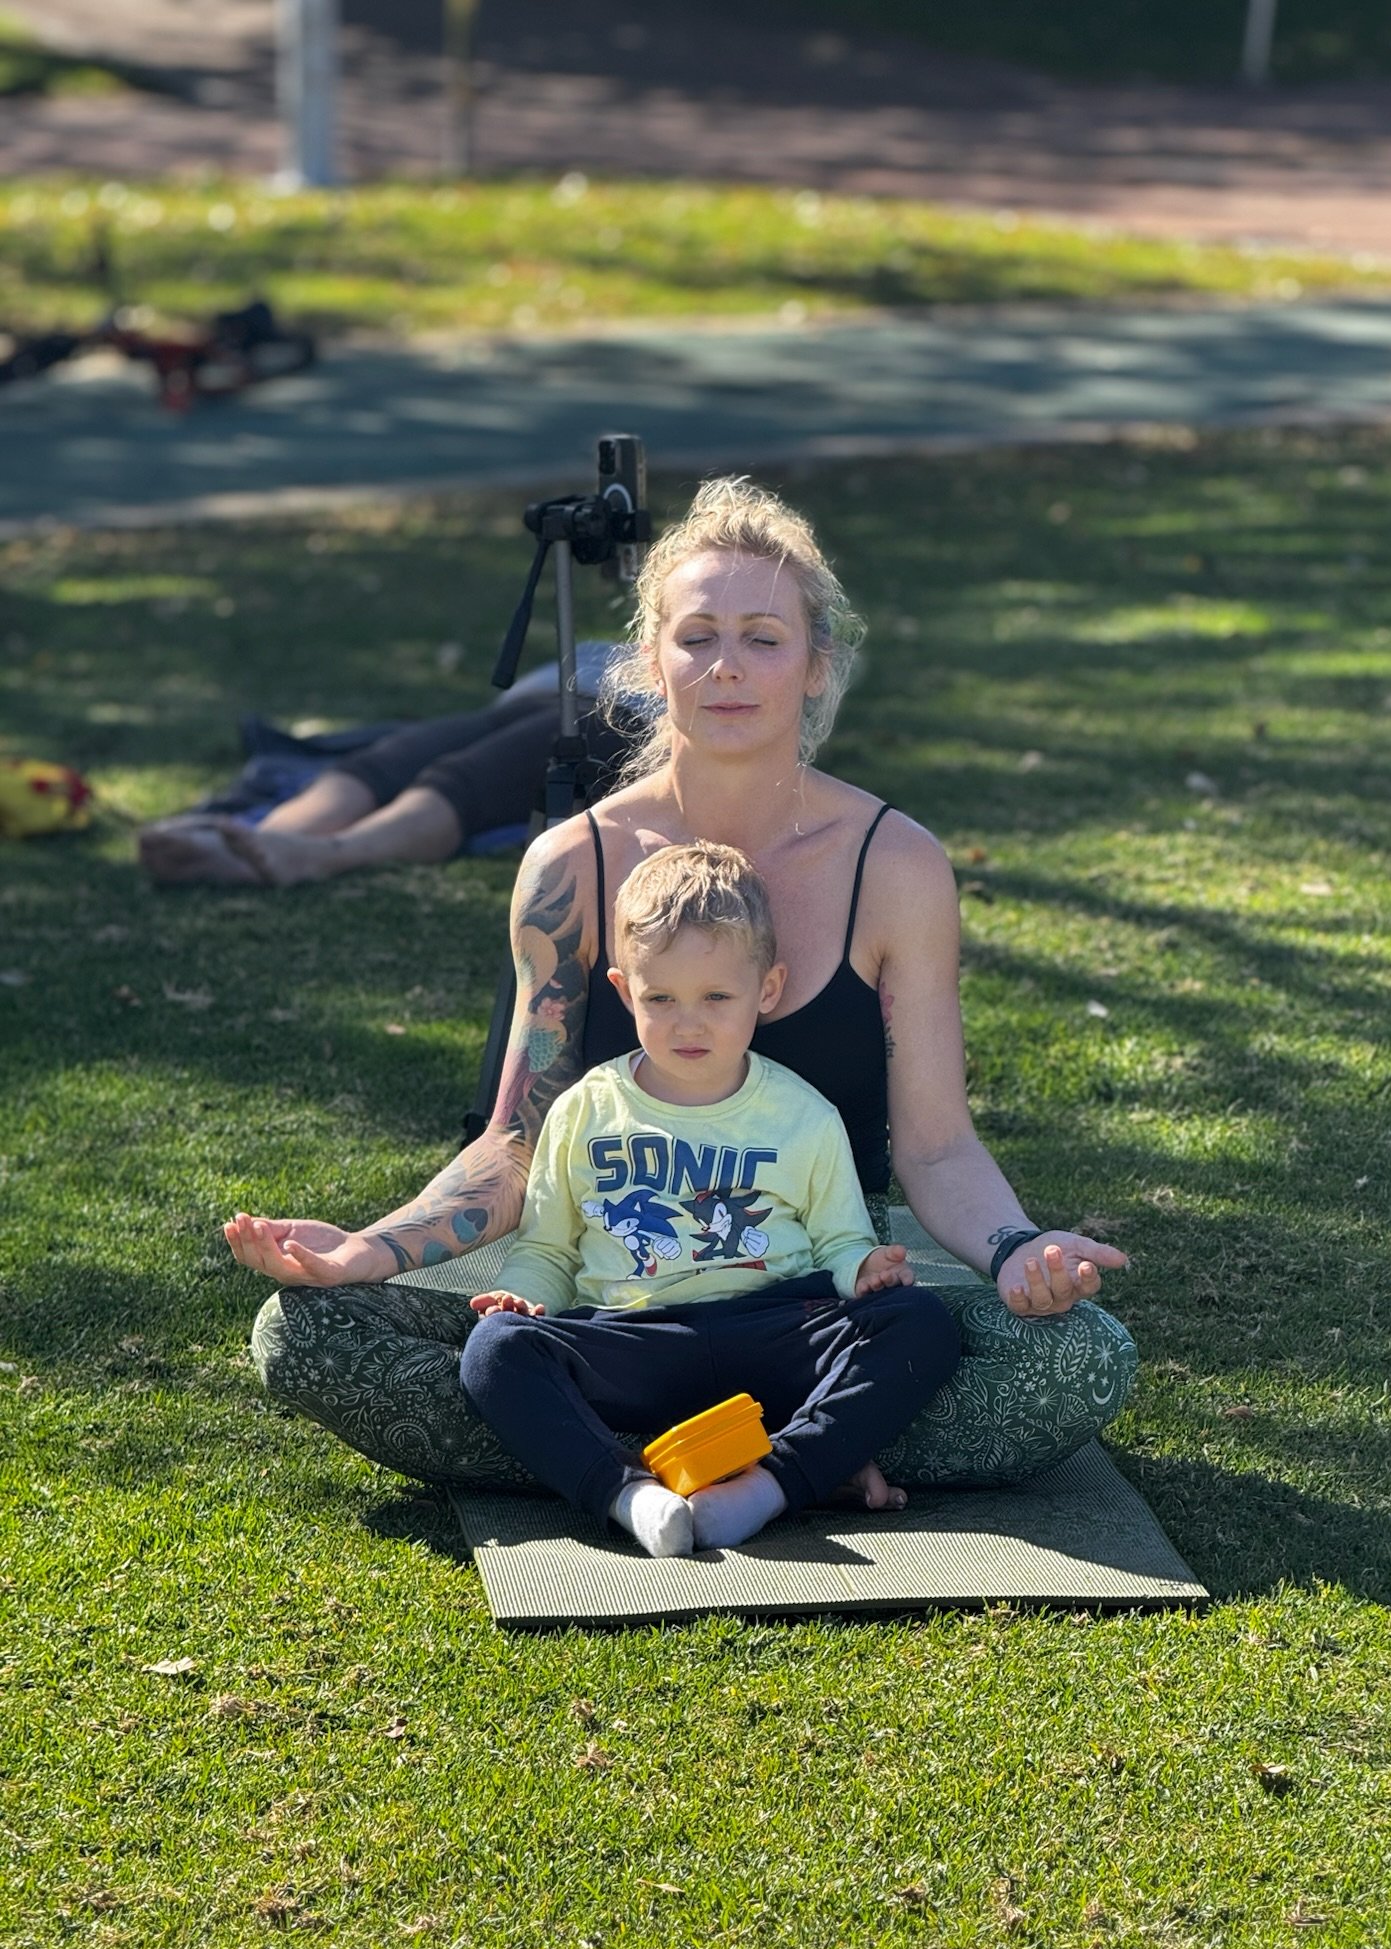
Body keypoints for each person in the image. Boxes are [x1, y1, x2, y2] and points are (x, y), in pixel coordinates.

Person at [230, 477, 1136, 1494]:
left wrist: (1016, 1250)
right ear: (650, 663)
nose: (727, 666)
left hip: (812, 1311)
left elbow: (936, 1144)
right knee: (302, 1328)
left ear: (816, 664)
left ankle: (613, 1452)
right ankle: (817, 1452)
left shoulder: (895, 864)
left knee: (1081, 1356)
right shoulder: (573, 866)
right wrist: (363, 1251)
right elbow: (516, 1143)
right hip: (607, 1309)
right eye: (697, 636)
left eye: (763, 638)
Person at [461, 839, 960, 1556]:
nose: (688, 1023)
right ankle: (633, 1498)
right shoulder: (584, 1109)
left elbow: (841, 1242)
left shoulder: (804, 1114)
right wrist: (523, 1298)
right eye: (660, 998)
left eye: (716, 997)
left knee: (921, 1321)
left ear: (767, 988)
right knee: (494, 1351)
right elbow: (546, 1248)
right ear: (624, 991)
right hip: (633, 1337)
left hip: (775, 1337)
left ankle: (765, 1488)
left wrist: (865, 1271)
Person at [138, 643, 633, 887]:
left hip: (626, 716)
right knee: (387, 761)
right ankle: (262, 839)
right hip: (561, 683)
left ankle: (324, 854)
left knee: (465, 780)